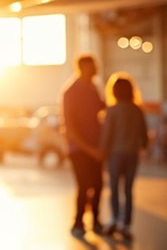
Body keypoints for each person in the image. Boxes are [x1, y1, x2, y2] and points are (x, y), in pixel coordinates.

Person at [61, 54, 105, 236]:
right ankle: (78, 222)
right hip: (79, 149)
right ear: (81, 68)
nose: (95, 69)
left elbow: (103, 110)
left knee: (98, 185)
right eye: (91, 66)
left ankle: (96, 220)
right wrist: (90, 150)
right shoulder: (71, 92)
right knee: (84, 185)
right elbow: (70, 128)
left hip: (96, 148)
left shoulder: (93, 89)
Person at [100, 77, 148, 239]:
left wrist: (102, 152)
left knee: (114, 187)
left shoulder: (112, 110)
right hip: (132, 154)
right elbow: (144, 135)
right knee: (128, 190)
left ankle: (114, 218)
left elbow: (107, 134)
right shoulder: (137, 110)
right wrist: (142, 145)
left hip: (115, 154)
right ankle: (126, 225)